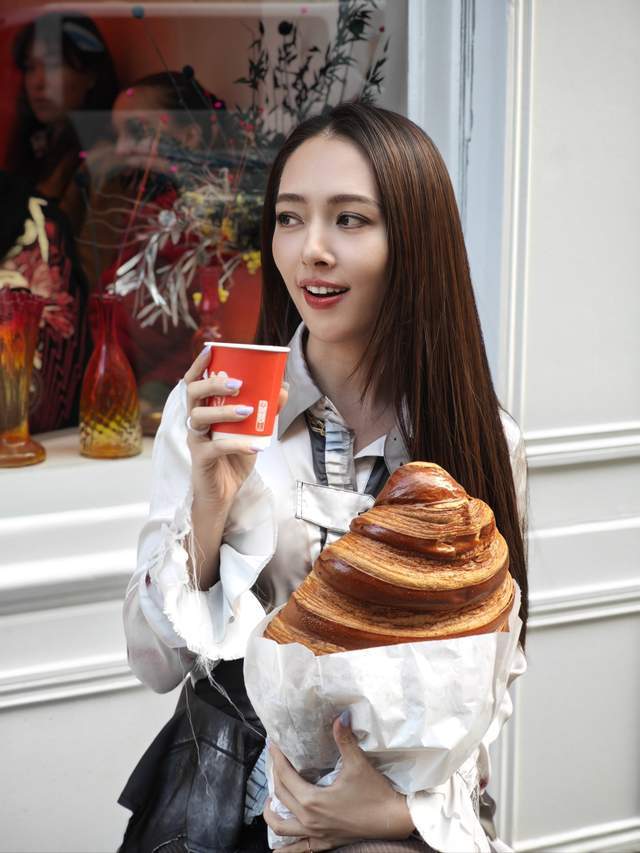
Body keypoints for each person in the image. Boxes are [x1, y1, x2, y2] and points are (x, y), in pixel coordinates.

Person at [119, 102, 528, 853]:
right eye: (289, 218)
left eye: (349, 220)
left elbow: (483, 683)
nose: (311, 249)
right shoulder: (217, 410)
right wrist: (209, 506)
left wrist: (397, 818)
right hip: (225, 808)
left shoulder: (483, 436)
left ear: (414, 241)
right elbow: (153, 662)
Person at [6, 11, 119, 202]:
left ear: (91, 73)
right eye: (30, 67)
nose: (37, 82)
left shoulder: (101, 155)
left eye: (53, 65)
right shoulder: (35, 143)